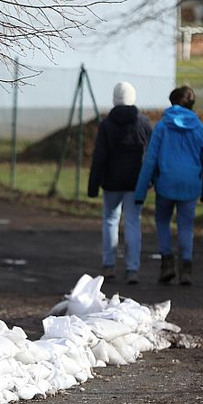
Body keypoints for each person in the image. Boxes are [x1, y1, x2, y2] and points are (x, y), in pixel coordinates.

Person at [134, 86, 203, 286]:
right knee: (186, 225)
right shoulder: (200, 129)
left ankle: (167, 264)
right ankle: (186, 268)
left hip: (165, 183)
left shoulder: (162, 127)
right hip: (190, 185)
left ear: (173, 103)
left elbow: (150, 160)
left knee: (162, 221)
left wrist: (141, 192)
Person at [88, 81, 153, 284]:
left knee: (110, 220)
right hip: (136, 182)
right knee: (133, 222)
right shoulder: (143, 123)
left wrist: (93, 184)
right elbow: (151, 154)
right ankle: (132, 268)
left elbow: (99, 156)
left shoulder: (106, 124)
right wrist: (151, 180)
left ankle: (108, 265)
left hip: (111, 182)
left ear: (115, 99)